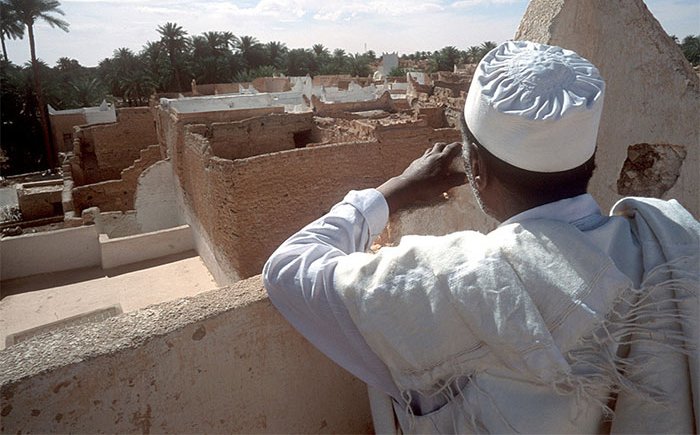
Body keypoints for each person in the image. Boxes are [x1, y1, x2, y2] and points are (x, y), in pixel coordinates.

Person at [263, 41, 699, 433]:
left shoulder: (459, 282)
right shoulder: (667, 243)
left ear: (476, 171)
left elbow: (288, 267)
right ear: (592, 158)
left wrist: (396, 189)